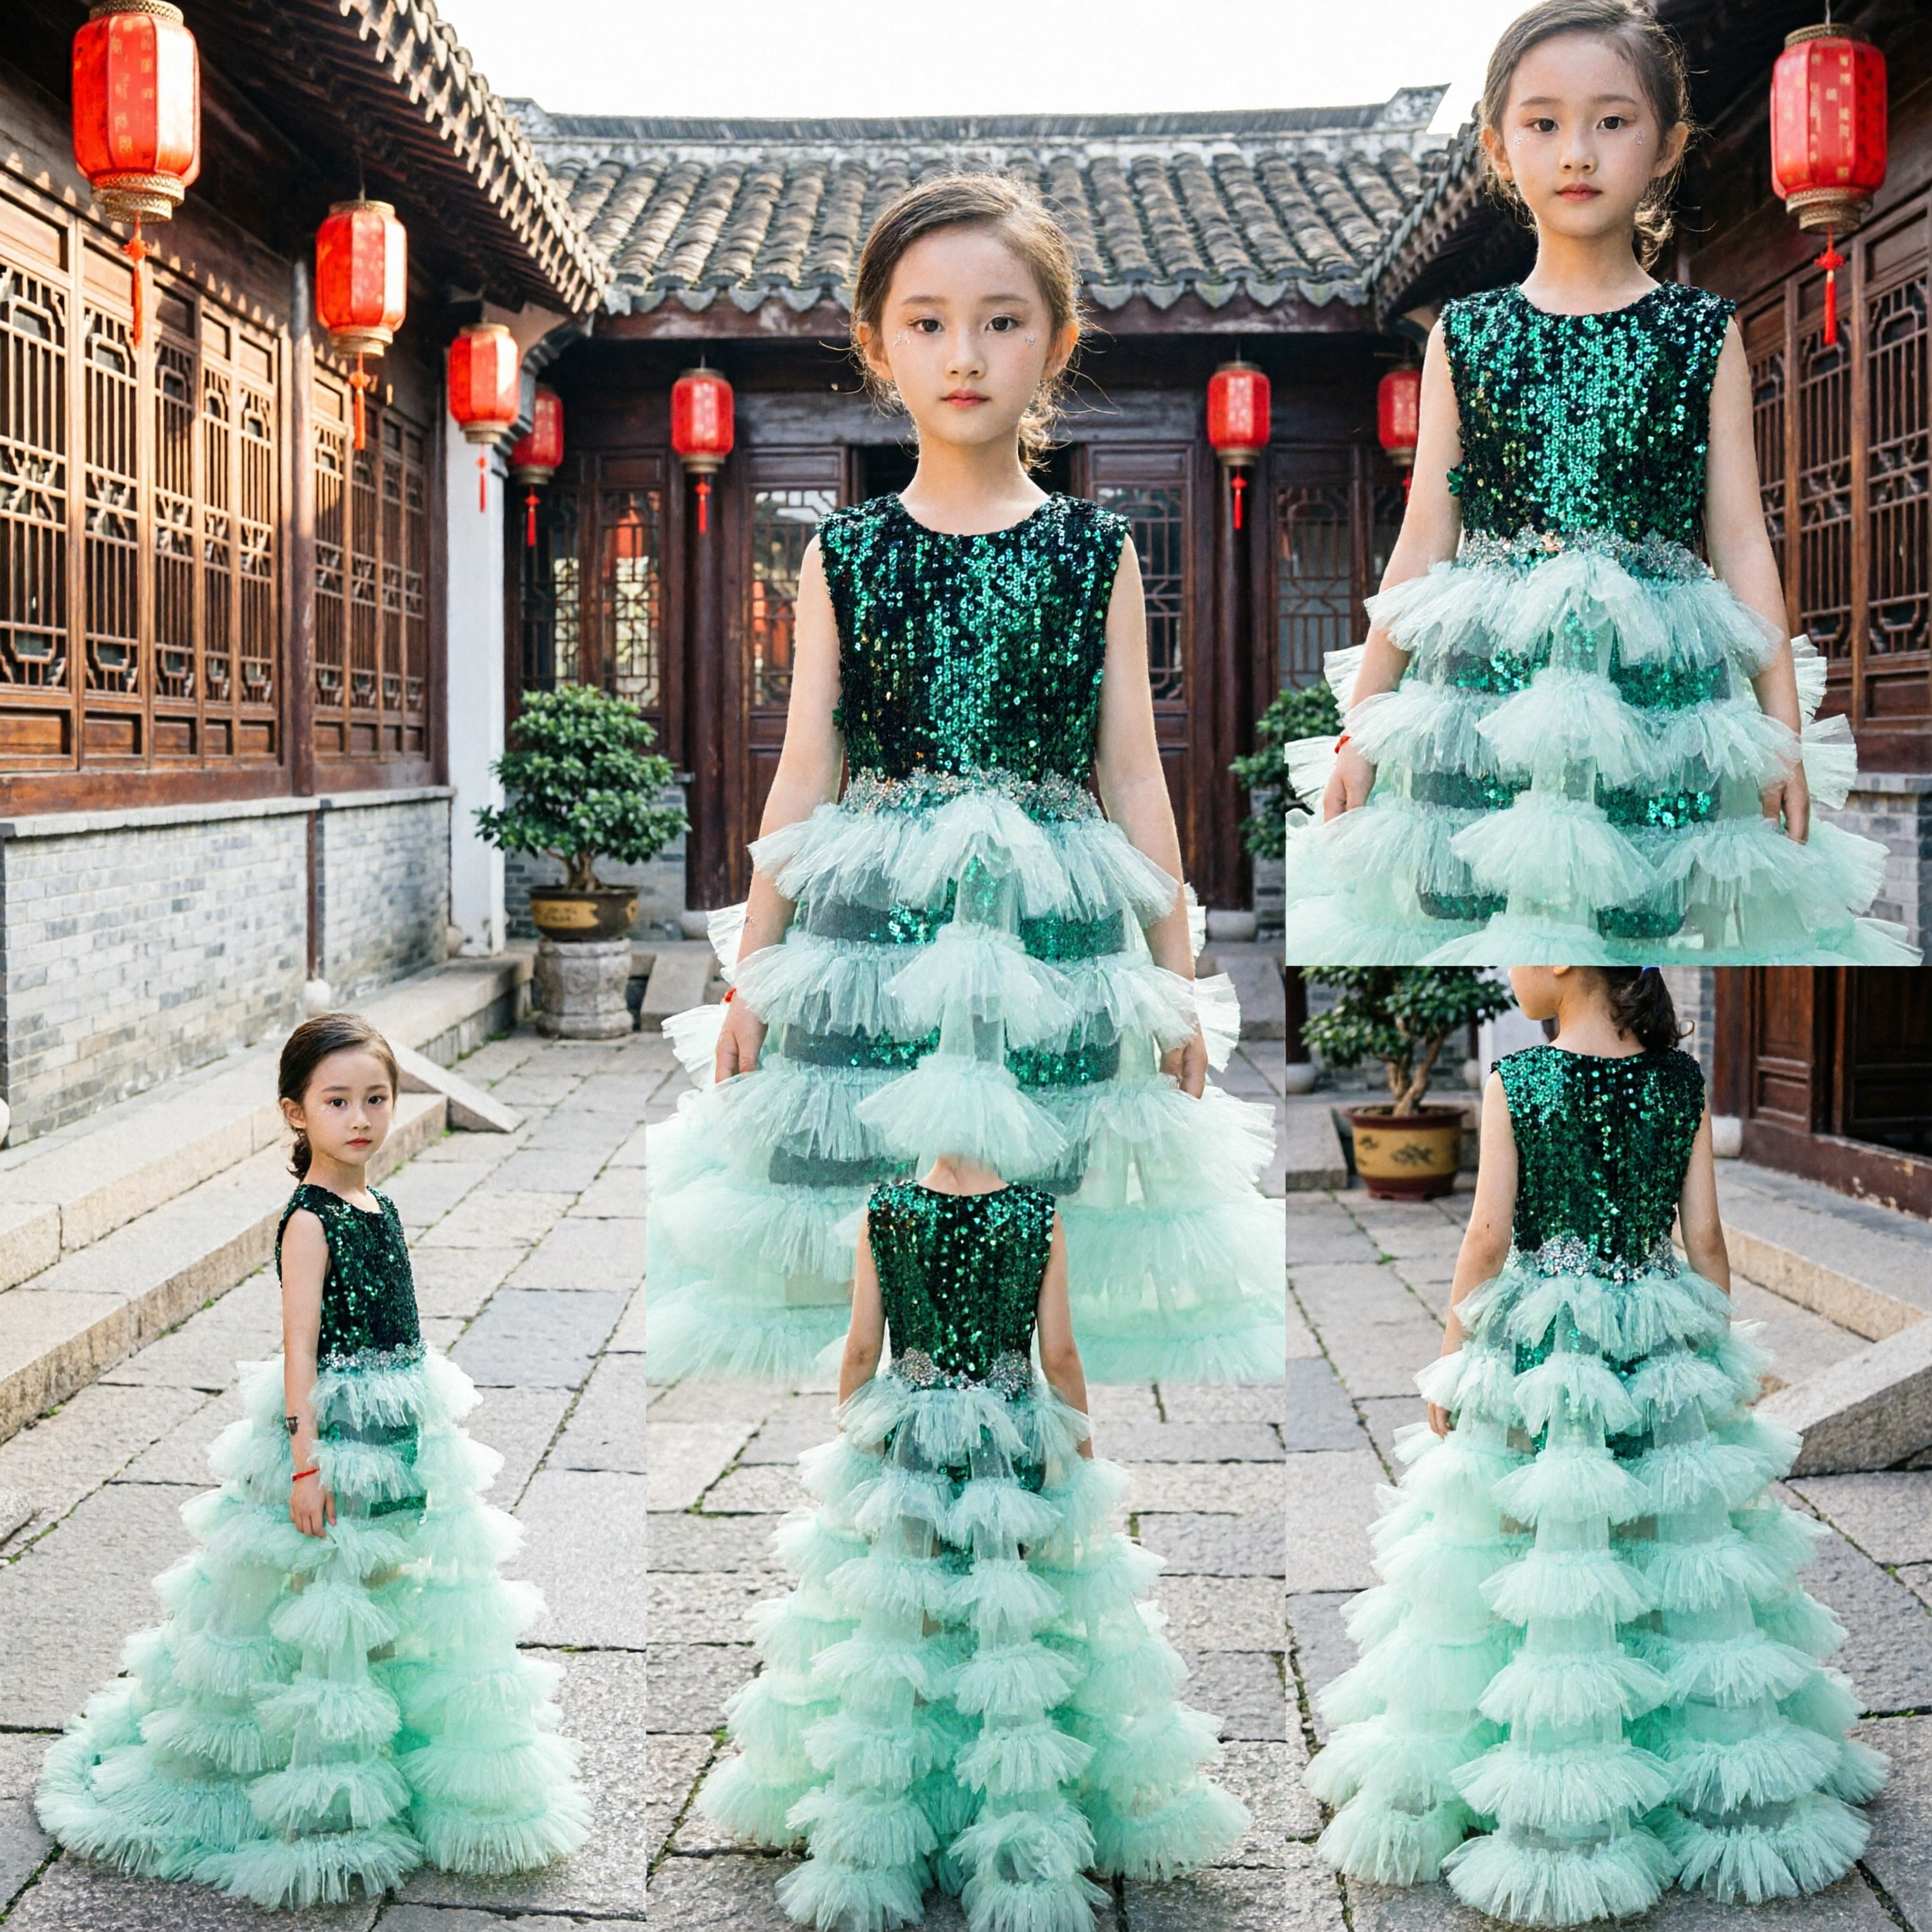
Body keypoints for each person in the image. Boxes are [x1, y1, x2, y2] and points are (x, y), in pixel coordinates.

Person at [645, 172, 1283, 1385]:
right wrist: (752, 976)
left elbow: (1136, 780)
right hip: (876, 930)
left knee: (1038, 1220)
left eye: (1001, 318)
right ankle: (902, 1485)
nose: (965, 352)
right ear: (879, 345)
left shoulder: (1093, 551)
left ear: (1056, 341)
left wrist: (1174, 985)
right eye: (926, 320)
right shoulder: (847, 552)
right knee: (894, 1224)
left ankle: (1028, 1491)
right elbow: (803, 775)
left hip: (1049, 938)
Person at [1280, 0, 1918, 967]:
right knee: (1527, 960)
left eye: (1610, 121)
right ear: (1500, 151)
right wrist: (1359, 729)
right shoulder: (1468, 332)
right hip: (1491, 690)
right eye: (1542, 123)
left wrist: (1778, 732)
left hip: (1655, 694)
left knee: (1630, 962)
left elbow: (1739, 537)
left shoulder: (1701, 331)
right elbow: (1421, 543)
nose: (1575, 150)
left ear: (1663, 146)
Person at [1303, 966, 1885, 1925]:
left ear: (1568, 966)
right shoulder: (1679, 1080)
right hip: (1657, 1333)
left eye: (1523, 950)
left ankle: (1548, 1773)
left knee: (1540, 1544)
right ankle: (1694, 1765)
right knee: (1673, 1543)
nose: (1508, 971)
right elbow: (1703, 1236)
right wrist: (1719, 1348)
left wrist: (1451, 1354)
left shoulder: (1520, 1079)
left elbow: (1487, 1233)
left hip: (1549, 1342)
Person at [37, 1014, 590, 1909]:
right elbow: (298, 1348)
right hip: (331, 1432)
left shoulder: (382, 1202)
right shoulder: (308, 1220)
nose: (360, 1118)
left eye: (375, 1098)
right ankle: (321, 1789)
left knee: (388, 1592)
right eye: (337, 1102)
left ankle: (389, 1761)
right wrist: (305, 1462)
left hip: (399, 1419)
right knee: (325, 1601)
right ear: (295, 1113)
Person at [702, 1154, 1248, 1931]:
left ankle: (895, 1826)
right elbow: (1057, 1353)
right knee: (1006, 1625)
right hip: (1009, 1428)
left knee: (906, 1620)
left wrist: (856, 1429)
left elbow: (863, 1346)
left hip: (914, 1429)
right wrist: (1081, 1445)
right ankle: (1013, 1837)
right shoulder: (1035, 1213)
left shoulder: (885, 1209)